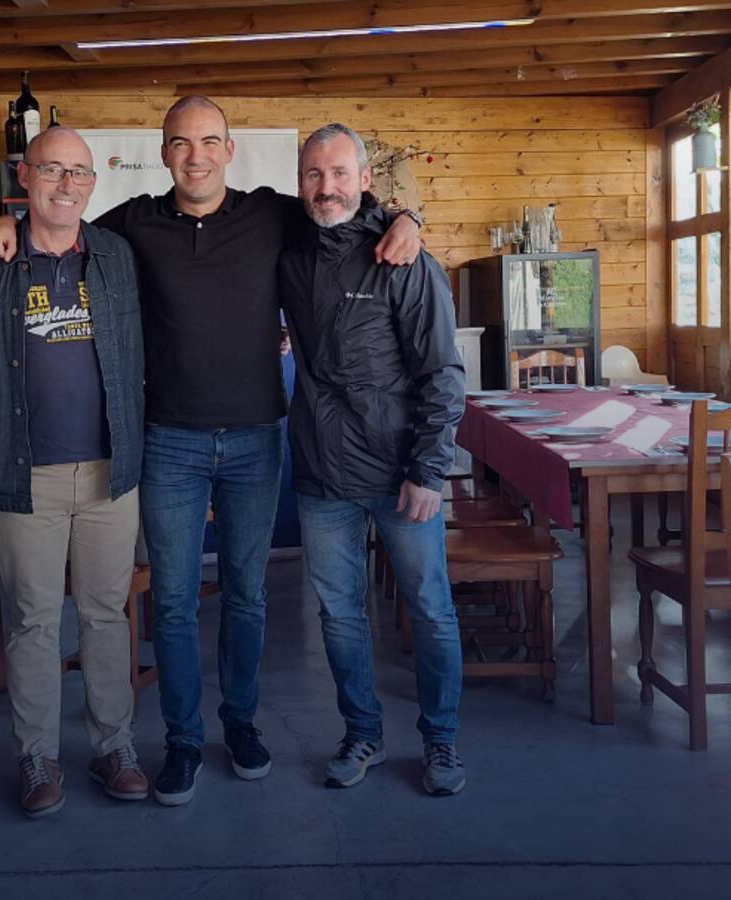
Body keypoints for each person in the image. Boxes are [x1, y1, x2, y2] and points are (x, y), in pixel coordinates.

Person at [0, 96, 422, 807]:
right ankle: (183, 739)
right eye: (182, 143)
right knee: (176, 603)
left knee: (246, 597)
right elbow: (59, 225)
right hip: (168, 443)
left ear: (229, 150)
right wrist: (1, 221)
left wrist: (407, 218)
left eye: (209, 141)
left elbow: (342, 207)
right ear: (163, 154)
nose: (196, 156)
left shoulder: (271, 213)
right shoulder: (133, 224)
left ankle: (240, 724)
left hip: (254, 440)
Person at [279, 123, 467, 797]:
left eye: (338, 173)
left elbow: (443, 372)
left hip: (400, 475)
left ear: (364, 180)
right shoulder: (289, 250)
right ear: (300, 182)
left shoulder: (403, 257)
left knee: (430, 609)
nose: (325, 187)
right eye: (313, 174)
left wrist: (429, 470)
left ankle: (441, 740)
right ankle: (362, 733)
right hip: (322, 474)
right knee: (339, 615)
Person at [0, 127, 149, 818]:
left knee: (106, 614)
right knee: (33, 621)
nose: (67, 184)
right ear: (24, 175)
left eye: (79, 172)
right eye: (52, 170)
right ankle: (37, 756)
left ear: (93, 183)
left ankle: (114, 746)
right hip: (25, 473)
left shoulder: (115, 254)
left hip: (111, 468)